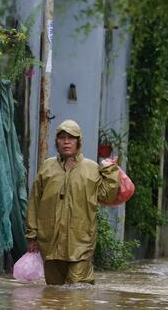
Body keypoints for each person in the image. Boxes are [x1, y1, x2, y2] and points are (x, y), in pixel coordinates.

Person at [25, 119, 120, 285]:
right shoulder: (47, 167)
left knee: (78, 288)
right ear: (57, 142)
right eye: (62, 138)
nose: (66, 142)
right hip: (50, 242)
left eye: (71, 138)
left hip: (80, 242)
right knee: (54, 292)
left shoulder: (91, 168)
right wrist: (32, 236)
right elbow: (34, 202)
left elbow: (107, 196)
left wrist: (110, 171)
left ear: (79, 141)